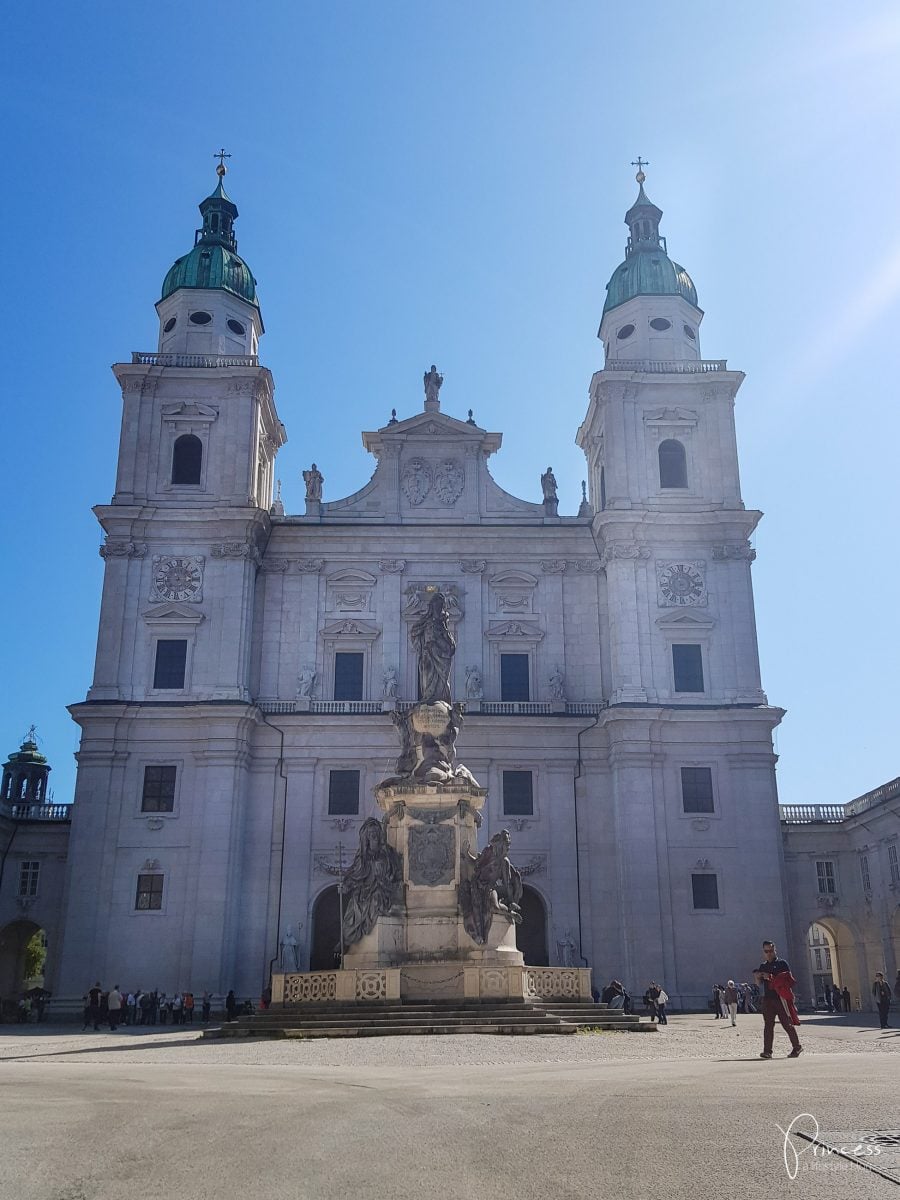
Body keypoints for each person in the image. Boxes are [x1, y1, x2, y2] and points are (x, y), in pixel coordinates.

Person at [754, 940, 802, 1059]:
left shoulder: (782, 964)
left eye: (771, 951)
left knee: (787, 1024)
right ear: (763, 952)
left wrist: (770, 977)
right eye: (766, 951)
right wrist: (757, 977)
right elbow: (758, 984)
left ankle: (797, 1047)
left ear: (775, 950)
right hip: (768, 999)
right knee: (768, 1025)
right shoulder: (763, 966)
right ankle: (767, 1051)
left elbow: (787, 981)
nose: (769, 953)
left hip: (781, 998)